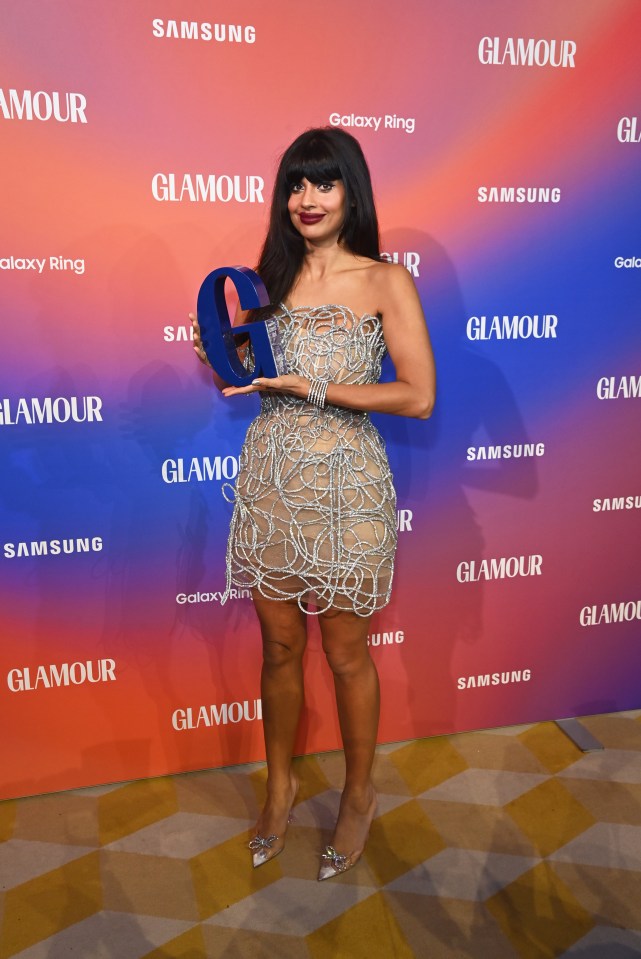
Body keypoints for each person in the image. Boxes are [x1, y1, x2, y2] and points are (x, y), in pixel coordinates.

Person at [190, 127, 435, 880]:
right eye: (296, 184)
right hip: (271, 482)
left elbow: (417, 396)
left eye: (323, 183)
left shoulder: (385, 280)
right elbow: (256, 377)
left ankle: (357, 793)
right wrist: (221, 358)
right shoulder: (267, 278)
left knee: (346, 652)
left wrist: (314, 386)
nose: (306, 199)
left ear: (349, 191)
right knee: (280, 649)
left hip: (348, 487)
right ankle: (282, 785)